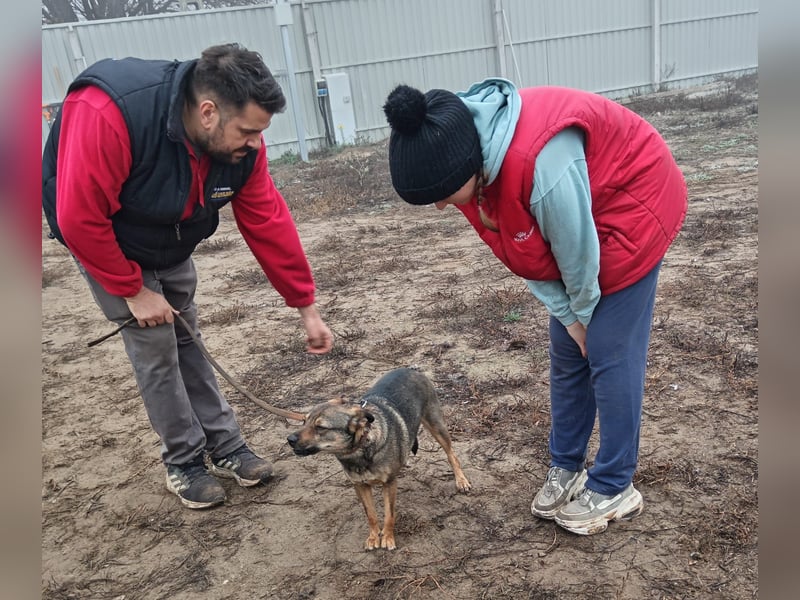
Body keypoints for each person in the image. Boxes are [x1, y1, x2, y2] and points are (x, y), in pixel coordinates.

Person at [383, 78, 686, 535]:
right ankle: (566, 466)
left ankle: (614, 484)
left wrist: (584, 318)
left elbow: (578, 256)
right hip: (584, 211)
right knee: (566, 351)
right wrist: (569, 320)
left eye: (442, 194)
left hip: (633, 204)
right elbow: (522, 254)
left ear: (466, 166)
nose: (442, 206)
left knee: (608, 350)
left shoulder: (540, 163)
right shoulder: (465, 164)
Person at [42, 43, 333, 510]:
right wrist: (133, 290)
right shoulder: (111, 112)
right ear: (209, 112)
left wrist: (306, 307)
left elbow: (268, 221)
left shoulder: (239, 149)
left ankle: (226, 446)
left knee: (185, 335)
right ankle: (184, 461)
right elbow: (78, 217)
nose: (257, 144)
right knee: (155, 347)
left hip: (171, 238)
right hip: (105, 236)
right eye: (249, 131)